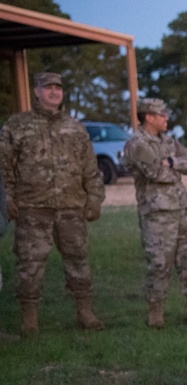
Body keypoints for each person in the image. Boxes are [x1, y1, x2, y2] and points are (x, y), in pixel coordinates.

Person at [0, 72, 105, 335]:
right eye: (48, 87)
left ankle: (85, 312)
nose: (54, 92)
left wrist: (94, 198)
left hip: (71, 207)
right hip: (32, 208)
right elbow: (4, 166)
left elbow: (90, 167)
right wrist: (8, 199)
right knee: (30, 264)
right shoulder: (17, 125)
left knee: (78, 260)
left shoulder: (75, 127)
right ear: (36, 91)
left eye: (58, 87)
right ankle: (29, 318)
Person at [122, 98, 187, 329]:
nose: (167, 118)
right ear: (148, 117)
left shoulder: (169, 141)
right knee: (159, 262)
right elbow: (155, 173)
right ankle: (156, 311)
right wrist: (172, 166)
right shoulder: (137, 143)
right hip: (157, 212)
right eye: (162, 115)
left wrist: (171, 162)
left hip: (181, 208)